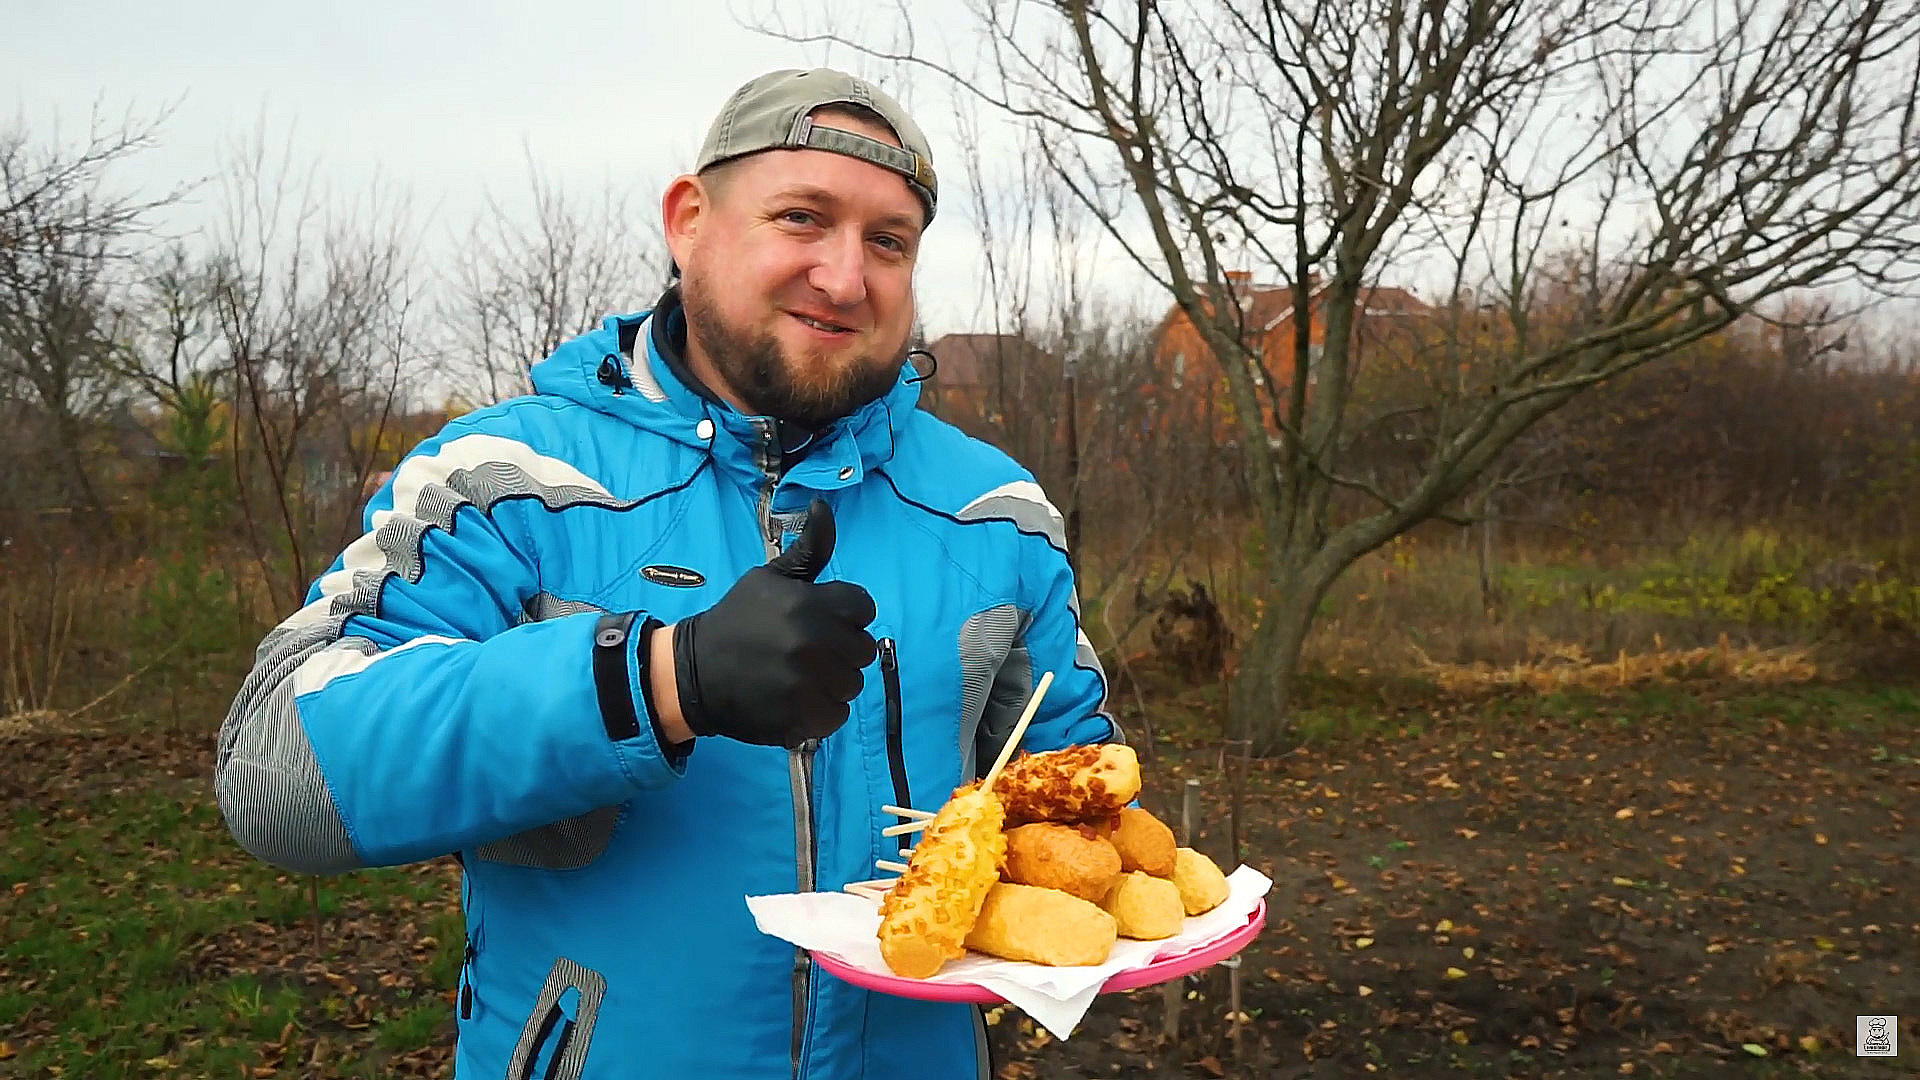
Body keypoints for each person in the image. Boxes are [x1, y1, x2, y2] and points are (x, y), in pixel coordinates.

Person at [214, 68, 1120, 1080]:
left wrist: (1122, 877)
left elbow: (1070, 794)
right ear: (690, 220)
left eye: (888, 241)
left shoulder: (995, 514)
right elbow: (275, 774)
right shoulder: (506, 482)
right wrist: (655, 680)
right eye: (801, 217)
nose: (844, 275)